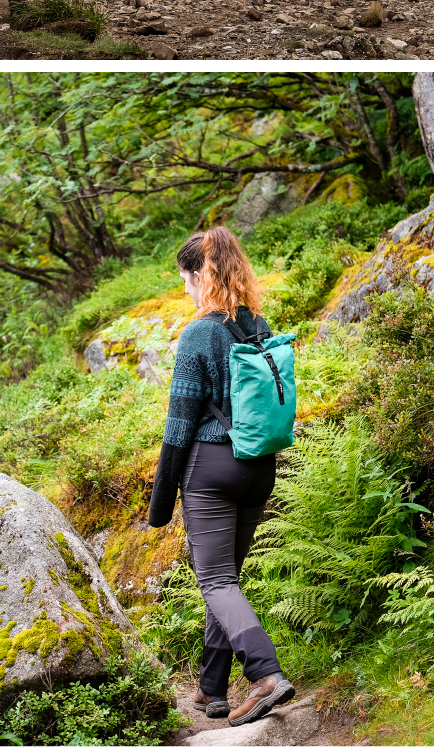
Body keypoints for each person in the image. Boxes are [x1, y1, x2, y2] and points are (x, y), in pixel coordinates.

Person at [146, 227, 297, 727]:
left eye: (186, 281)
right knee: (225, 580)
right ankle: (213, 689)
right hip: (259, 468)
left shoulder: (197, 333)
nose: (186, 292)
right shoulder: (257, 323)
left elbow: (179, 423)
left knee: (214, 580)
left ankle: (266, 674)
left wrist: (160, 502)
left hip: (211, 468)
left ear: (199, 275)